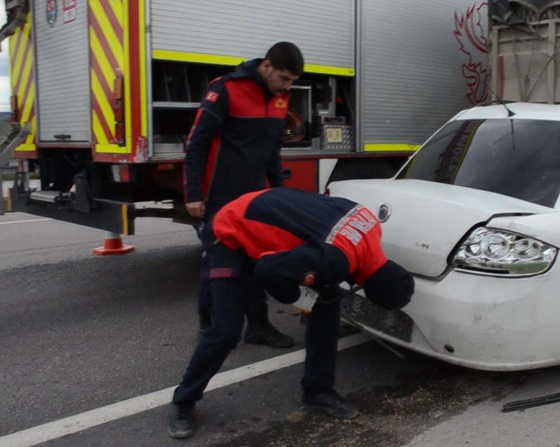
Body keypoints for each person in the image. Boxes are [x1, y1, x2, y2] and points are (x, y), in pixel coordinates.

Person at [168, 187, 415, 439]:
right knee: (226, 330)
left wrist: (316, 289)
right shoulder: (336, 260)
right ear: (369, 290)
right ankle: (183, 401)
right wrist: (301, 299)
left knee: (327, 305)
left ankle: (318, 392)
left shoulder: (370, 224)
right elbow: (266, 270)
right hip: (229, 231)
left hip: (261, 206)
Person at [185, 42, 305, 348]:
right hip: (219, 196)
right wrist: (193, 193)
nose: (286, 87)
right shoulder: (226, 89)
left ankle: (258, 327)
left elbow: (273, 151)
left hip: (255, 196)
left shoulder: (281, 98)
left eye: (291, 81)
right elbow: (197, 142)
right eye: (283, 78)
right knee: (217, 263)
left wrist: (279, 194)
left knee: (256, 260)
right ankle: (209, 328)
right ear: (266, 67)